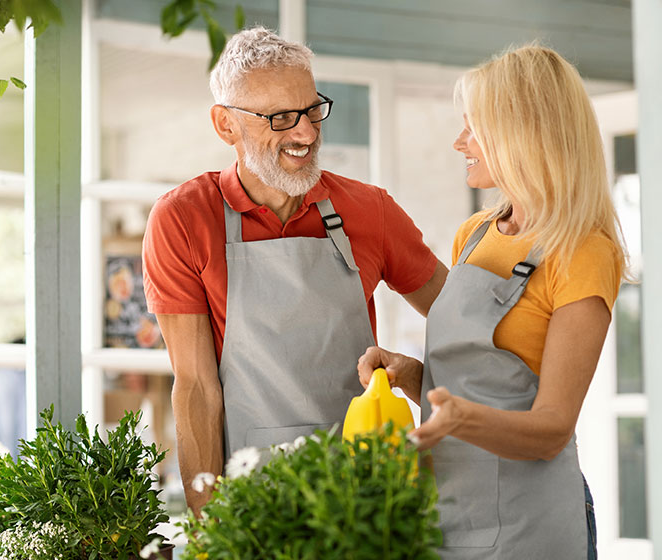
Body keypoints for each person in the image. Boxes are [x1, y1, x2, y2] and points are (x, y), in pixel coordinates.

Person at [142, 27, 447, 513]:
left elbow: (462, 324)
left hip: (362, 496)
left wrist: (420, 378)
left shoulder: (371, 210)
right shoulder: (183, 218)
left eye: (311, 110)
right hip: (251, 499)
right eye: (280, 118)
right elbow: (197, 387)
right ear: (225, 125)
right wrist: (209, 526)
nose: (305, 133)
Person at [358, 44, 628, 559]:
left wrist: (461, 420)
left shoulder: (584, 252)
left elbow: (551, 430)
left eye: (473, 128)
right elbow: (467, 388)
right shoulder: (474, 235)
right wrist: (408, 374)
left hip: (533, 522)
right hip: (449, 511)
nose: (460, 142)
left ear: (523, 134)